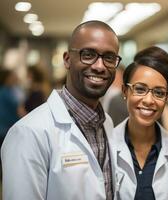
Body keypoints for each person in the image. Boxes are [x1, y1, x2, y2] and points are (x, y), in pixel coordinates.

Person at [1, 20, 122, 200]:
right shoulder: (29, 132)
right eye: (88, 54)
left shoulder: (107, 123)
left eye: (109, 58)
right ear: (67, 59)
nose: (99, 66)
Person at [111, 46, 168, 200]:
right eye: (140, 89)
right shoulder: (105, 147)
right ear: (125, 91)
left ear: (166, 98)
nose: (149, 100)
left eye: (159, 93)